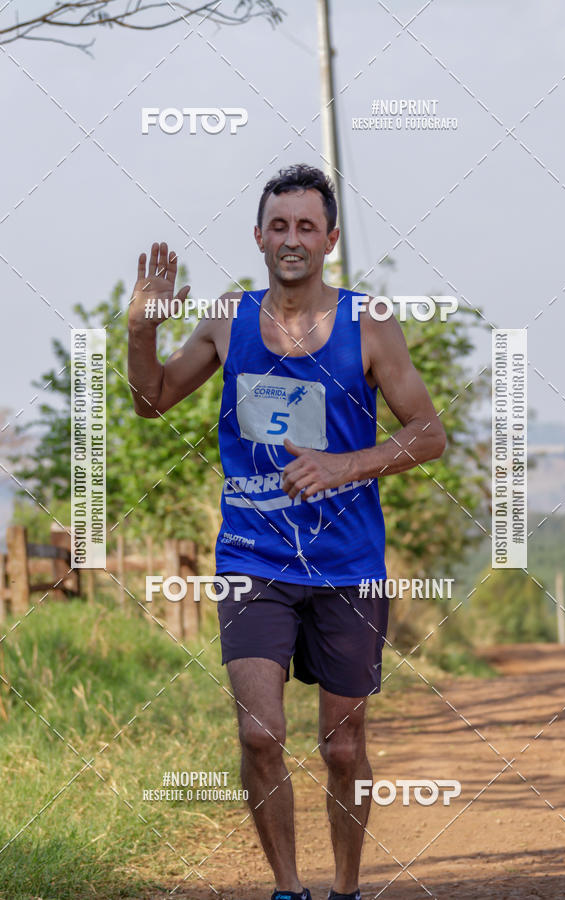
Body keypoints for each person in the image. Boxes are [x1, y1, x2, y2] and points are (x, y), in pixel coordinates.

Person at [128, 164, 446, 900]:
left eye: (307, 226)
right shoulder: (227, 320)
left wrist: (347, 465)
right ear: (259, 236)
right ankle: (288, 889)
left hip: (346, 562)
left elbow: (428, 434)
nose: (292, 238)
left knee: (343, 747)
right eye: (279, 225)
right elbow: (152, 400)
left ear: (331, 239)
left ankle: (345, 887)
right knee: (260, 735)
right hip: (254, 555)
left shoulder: (370, 324)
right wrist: (141, 331)